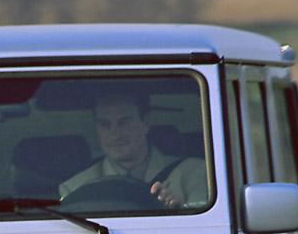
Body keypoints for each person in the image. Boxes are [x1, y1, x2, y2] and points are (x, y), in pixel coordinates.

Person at [59, 89, 208, 209]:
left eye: (124, 123)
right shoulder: (74, 188)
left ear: (146, 123)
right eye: (105, 125)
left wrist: (180, 210)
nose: (115, 134)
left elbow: (208, 228)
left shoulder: (195, 173)